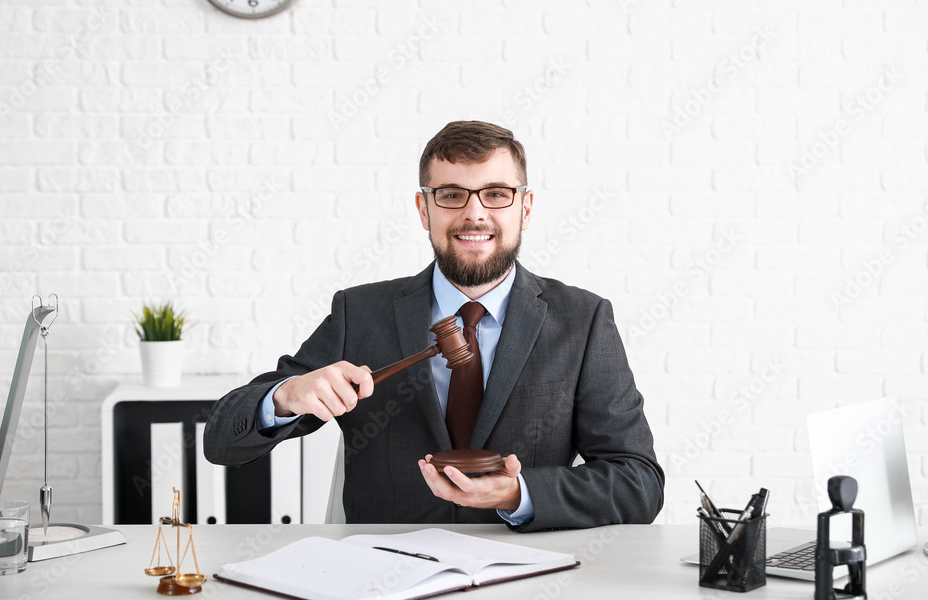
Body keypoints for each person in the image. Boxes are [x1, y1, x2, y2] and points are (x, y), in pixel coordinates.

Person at [203, 120, 664, 531]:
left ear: (524, 208)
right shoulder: (359, 313)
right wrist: (284, 397)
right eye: (451, 195)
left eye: (497, 194)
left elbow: (638, 482)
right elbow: (221, 440)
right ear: (424, 210)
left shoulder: (583, 320)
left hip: (528, 574)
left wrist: (519, 493)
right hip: (385, 577)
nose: (474, 214)